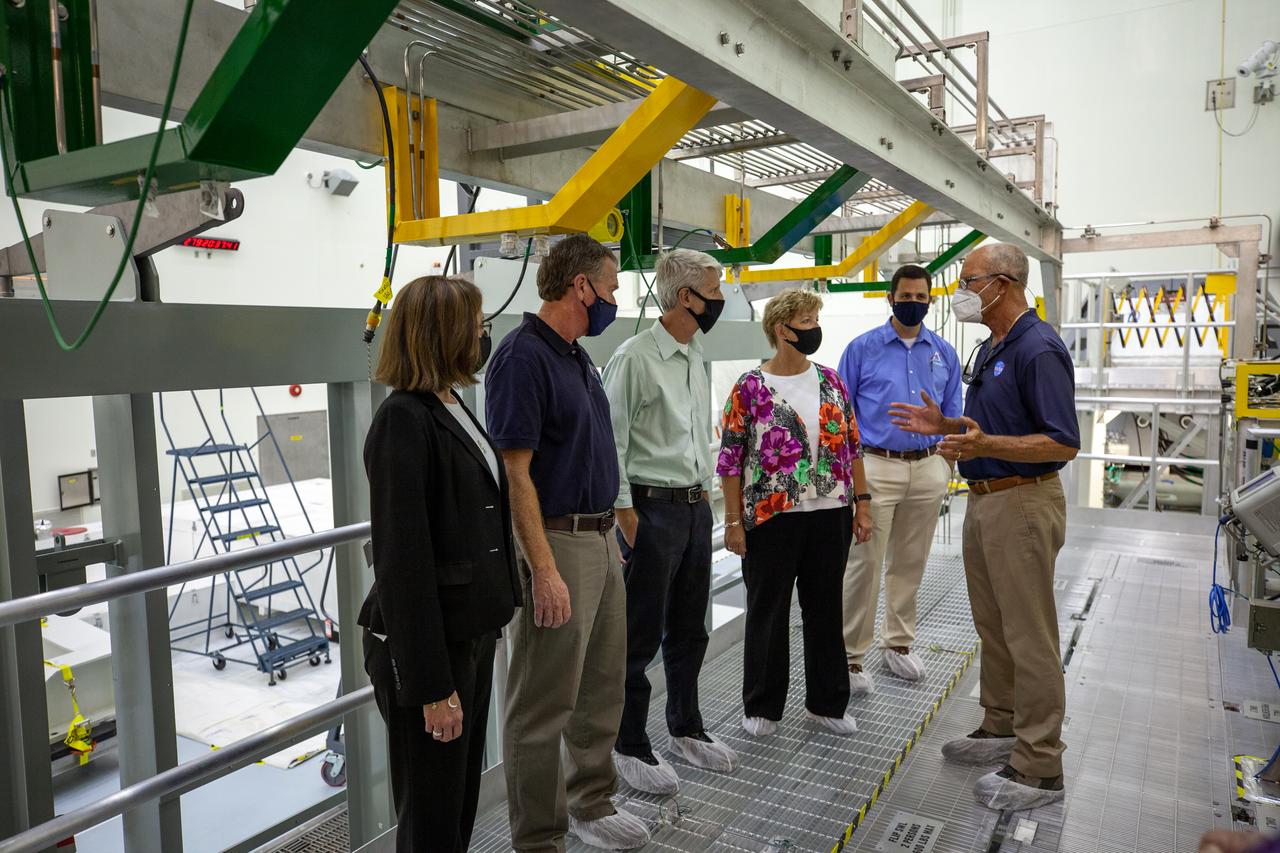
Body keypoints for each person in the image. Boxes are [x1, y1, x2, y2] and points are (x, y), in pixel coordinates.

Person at [890, 243, 1079, 812]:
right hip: (987, 498)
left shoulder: (1038, 348)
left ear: (1002, 282)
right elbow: (991, 426)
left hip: (1022, 501)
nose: (961, 294)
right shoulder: (995, 345)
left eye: (968, 282)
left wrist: (987, 445)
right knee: (994, 625)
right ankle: (1000, 726)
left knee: (1030, 632)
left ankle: (1040, 763)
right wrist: (948, 425)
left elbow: (1063, 441)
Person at [485, 234, 650, 852]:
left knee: (601, 687)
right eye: (610, 286)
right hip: (559, 544)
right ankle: (539, 838)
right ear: (580, 285)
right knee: (541, 706)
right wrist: (544, 570)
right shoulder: (522, 357)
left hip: (601, 538)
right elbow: (516, 473)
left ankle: (591, 802)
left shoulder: (574, 355)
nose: (613, 298)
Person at [358, 275, 521, 852]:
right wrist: (431, 686)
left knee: (456, 806)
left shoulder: (449, 404)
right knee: (430, 815)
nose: (483, 336)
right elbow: (403, 561)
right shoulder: (403, 419)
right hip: (429, 648)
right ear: (442, 334)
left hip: (468, 633)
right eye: (476, 327)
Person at [601, 248, 740, 796]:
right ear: (686, 296)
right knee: (637, 638)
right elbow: (610, 441)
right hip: (650, 510)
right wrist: (625, 515)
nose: (721, 300)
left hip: (693, 508)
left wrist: (705, 501)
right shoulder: (635, 358)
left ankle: (686, 727)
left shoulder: (694, 353)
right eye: (714, 289)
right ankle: (628, 743)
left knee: (689, 628)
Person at [717, 287, 874, 738]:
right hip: (771, 516)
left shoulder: (831, 381)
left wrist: (862, 505)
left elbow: (853, 446)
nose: (814, 329)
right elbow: (730, 460)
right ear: (782, 330)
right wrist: (733, 522)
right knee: (768, 608)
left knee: (825, 607)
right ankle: (762, 706)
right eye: (806, 321)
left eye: (815, 319)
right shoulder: (750, 388)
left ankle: (827, 703)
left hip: (830, 514)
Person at [837, 264, 961, 693]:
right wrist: (853, 478)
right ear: (890, 298)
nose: (913, 304)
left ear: (931, 300)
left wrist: (944, 463)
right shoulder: (862, 349)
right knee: (865, 564)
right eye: (905, 297)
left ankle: (899, 644)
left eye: (920, 297)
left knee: (910, 561)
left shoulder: (944, 353)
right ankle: (851, 657)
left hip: (927, 467)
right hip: (876, 465)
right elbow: (841, 413)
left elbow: (952, 415)